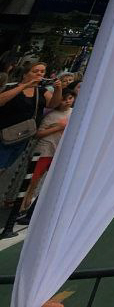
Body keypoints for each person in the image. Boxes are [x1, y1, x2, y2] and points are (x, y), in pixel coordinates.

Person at [0, 63, 63, 206]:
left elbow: (53, 104)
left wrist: (58, 88)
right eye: (36, 71)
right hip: (4, 134)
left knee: (4, 168)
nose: (40, 74)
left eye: (43, 71)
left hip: (23, 137)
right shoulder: (12, 87)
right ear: (25, 73)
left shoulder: (41, 91)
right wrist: (25, 85)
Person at [18, 88, 73, 223]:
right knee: (33, 180)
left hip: (60, 151)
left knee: (50, 182)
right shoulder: (50, 115)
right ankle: (21, 208)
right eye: (64, 99)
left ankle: (33, 207)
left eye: (70, 99)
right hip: (44, 150)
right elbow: (38, 134)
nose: (67, 102)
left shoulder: (74, 113)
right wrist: (58, 127)